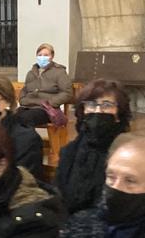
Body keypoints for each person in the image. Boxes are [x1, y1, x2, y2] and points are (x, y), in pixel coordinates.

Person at [55, 79, 131, 215]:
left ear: (119, 114)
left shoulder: (127, 155)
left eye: (106, 105)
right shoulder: (69, 152)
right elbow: (58, 197)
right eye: (91, 104)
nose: (98, 111)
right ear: (83, 111)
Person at [17, 42, 74, 127]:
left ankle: (29, 139)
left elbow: (67, 93)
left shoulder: (59, 72)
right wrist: (22, 100)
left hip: (46, 110)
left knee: (26, 118)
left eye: (46, 55)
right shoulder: (31, 73)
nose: (42, 57)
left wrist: (50, 103)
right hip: (28, 106)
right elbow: (25, 90)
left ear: (52, 56)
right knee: (11, 118)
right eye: (40, 55)